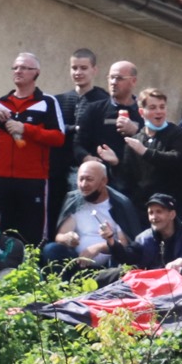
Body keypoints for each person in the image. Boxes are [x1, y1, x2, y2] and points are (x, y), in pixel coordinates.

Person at [0, 53, 66, 244]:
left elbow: (59, 138)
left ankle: (29, 272)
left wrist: (26, 129)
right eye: (15, 68)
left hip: (32, 180)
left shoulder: (47, 102)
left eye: (24, 68)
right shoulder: (0, 103)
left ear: (36, 73)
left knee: (31, 236)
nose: (18, 71)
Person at [101, 87, 182, 209]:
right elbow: (127, 180)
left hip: (172, 206)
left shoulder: (177, 134)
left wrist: (145, 152)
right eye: (153, 108)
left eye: (162, 107)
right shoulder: (135, 141)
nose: (159, 111)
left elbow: (177, 159)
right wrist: (115, 163)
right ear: (141, 112)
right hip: (143, 208)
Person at [42, 160, 141, 270]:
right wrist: (67, 238)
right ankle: (62, 286)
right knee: (51, 249)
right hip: (78, 262)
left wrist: (99, 247)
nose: (84, 185)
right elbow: (59, 236)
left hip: (110, 265)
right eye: (81, 179)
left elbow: (125, 245)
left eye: (89, 179)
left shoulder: (119, 205)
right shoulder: (75, 201)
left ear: (104, 181)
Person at [50, 49, 109, 233]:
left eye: (84, 68)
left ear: (94, 70)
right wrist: (73, 129)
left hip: (90, 168)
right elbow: (54, 130)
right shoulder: (59, 101)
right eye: (74, 68)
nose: (78, 72)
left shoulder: (103, 100)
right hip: (59, 169)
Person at [110, 193, 182, 286]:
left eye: (159, 212)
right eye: (151, 213)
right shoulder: (143, 238)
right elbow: (128, 258)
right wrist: (111, 241)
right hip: (154, 286)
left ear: (172, 215)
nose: (154, 217)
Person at [74, 60, 143, 193]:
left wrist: (136, 132)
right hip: (98, 182)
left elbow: (155, 146)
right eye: (111, 77)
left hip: (132, 184)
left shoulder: (143, 113)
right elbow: (78, 143)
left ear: (133, 81)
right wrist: (86, 157)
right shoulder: (95, 109)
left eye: (119, 78)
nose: (113, 82)